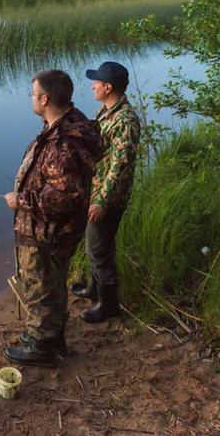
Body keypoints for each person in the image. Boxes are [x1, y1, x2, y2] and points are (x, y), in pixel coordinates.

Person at [3, 69, 102, 366]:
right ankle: (53, 337)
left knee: (39, 286)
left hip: (46, 232)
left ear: (45, 99)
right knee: (52, 283)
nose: (31, 99)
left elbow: (62, 197)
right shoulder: (68, 123)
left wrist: (19, 200)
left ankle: (42, 347)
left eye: (33, 94)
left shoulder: (62, 145)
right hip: (57, 231)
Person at [71, 61, 141, 323]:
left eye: (96, 83)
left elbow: (119, 167)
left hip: (109, 196)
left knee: (99, 248)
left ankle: (109, 305)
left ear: (108, 87)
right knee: (94, 245)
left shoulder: (126, 120)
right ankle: (94, 289)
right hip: (98, 189)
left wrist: (100, 201)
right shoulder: (107, 110)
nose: (92, 86)